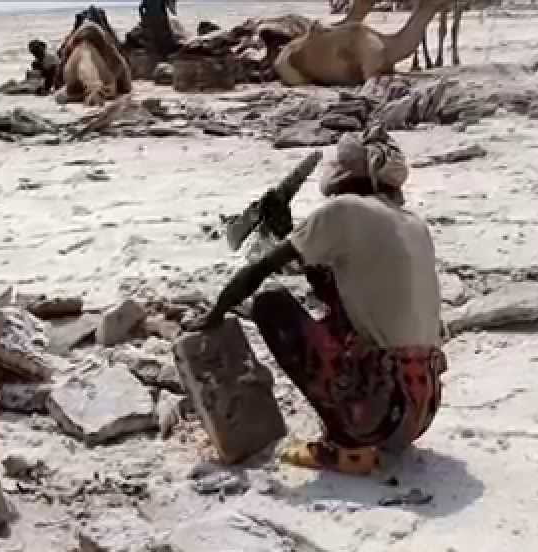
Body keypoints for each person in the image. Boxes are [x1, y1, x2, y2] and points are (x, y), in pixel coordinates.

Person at [191, 125, 447, 476]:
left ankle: (346, 447)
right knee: (335, 304)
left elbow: (260, 271)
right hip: (419, 412)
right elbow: (330, 279)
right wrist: (287, 231)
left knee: (272, 305)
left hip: (377, 413)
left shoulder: (345, 210)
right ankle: (360, 430)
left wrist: (215, 312)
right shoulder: (413, 225)